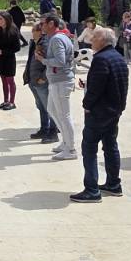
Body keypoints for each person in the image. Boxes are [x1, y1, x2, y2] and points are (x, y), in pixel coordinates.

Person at [72, 28, 129, 203]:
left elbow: (97, 88)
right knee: (110, 146)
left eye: (95, 37)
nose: (91, 40)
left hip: (99, 112)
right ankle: (113, 184)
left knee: (89, 148)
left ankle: (92, 189)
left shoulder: (101, 59)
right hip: (114, 111)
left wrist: (86, 105)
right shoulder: (118, 57)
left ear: (103, 41)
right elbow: (114, 83)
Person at [40, 14, 79, 161]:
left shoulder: (57, 39)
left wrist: (43, 60)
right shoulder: (60, 37)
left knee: (64, 115)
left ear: (51, 24)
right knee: (52, 110)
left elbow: (60, 61)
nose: (41, 26)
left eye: (43, 23)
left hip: (61, 81)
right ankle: (66, 142)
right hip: (57, 81)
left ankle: (71, 148)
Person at [25, 23, 58, 144]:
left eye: (34, 30)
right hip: (33, 80)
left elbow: (49, 62)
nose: (32, 32)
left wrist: (43, 78)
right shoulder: (34, 43)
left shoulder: (44, 44)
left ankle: (53, 132)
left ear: (40, 31)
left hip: (41, 82)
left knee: (49, 108)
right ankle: (44, 129)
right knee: (41, 107)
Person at [0, 14, 22, 110]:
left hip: (9, 60)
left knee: (10, 81)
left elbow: (17, 48)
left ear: (7, 20)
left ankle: (12, 102)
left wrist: (2, 52)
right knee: (3, 81)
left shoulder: (13, 31)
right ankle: (6, 101)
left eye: (1, 19)